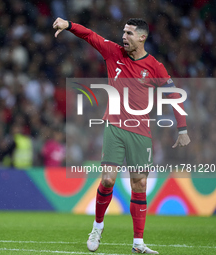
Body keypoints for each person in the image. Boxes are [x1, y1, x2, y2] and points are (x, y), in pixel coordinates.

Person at [53, 18, 191, 254]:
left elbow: (173, 96)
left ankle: (138, 243)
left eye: (128, 33)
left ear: (142, 37)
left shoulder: (155, 67)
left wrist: (183, 128)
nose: (123, 37)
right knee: (108, 179)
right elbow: (91, 36)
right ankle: (97, 226)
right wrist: (69, 25)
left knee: (140, 184)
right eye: (123, 32)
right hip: (114, 126)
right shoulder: (113, 52)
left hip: (140, 132)